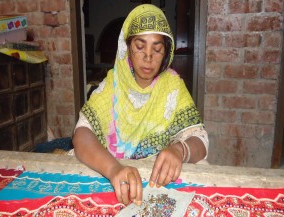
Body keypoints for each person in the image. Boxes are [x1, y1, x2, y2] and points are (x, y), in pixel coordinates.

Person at [72, 4, 209, 206]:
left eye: (157, 49)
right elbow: (82, 135)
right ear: (127, 47)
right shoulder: (112, 85)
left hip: (159, 179)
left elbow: (200, 139)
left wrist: (180, 150)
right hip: (115, 175)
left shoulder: (172, 86)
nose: (148, 57)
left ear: (166, 53)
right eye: (139, 46)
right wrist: (114, 169)